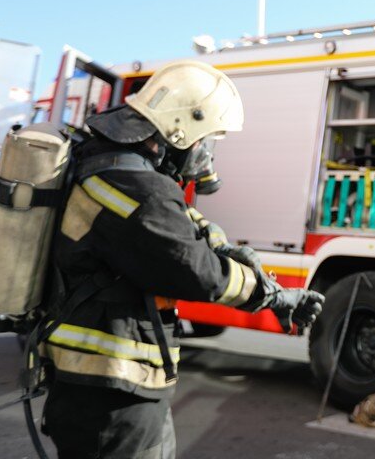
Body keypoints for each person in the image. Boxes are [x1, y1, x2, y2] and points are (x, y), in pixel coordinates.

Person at [40, 61, 325, 458]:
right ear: (180, 128)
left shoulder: (117, 170)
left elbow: (187, 228)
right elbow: (197, 270)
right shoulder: (135, 185)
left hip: (117, 385)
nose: (205, 152)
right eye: (205, 138)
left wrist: (235, 255)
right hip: (109, 391)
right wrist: (272, 299)